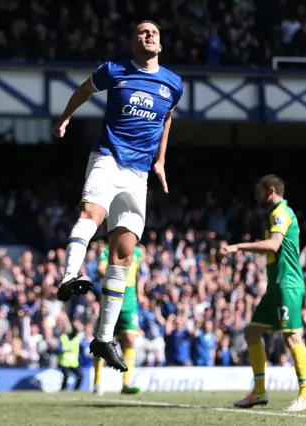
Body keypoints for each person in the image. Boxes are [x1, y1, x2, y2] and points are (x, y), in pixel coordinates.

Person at [52, 20, 184, 371]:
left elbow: (167, 118)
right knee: (91, 215)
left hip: (139, 174)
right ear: (132, 41)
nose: (150, 35)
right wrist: (66, 118)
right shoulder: (114, 71)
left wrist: (161, 160)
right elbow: (83, 89)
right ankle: (69, 274)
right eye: (143, 32)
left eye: (155, 31)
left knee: (123, 255)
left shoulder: (173, 83)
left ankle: (103, 338)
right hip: (108, 158)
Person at [219, 175, 306, 412]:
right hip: (275, 286)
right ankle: (259, 391)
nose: (256, 197)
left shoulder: (281, 212)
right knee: (252, 333)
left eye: (259, 192)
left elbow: (273, 245)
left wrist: (237, 247)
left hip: (288, 284)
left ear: (271, 191)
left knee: (292, 337)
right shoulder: (274, 215)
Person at [93, 244, 143, 395]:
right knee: (104, 340)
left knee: (129, 339)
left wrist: (140, 294)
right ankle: (97, 383)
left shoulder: (138, 252)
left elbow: (137, 275)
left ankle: (126, 383)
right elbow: (100, 269)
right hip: (111, 300)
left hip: (129, 303)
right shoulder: (108, 250)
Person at [57, 326, 83, 391]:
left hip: (73, 363)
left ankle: (76, 389)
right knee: (66, 377)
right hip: (64, 362)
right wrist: (64, 350)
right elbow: (58, 350)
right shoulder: (63, 338)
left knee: (80, 376)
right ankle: (63, 390)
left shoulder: (77, 340)